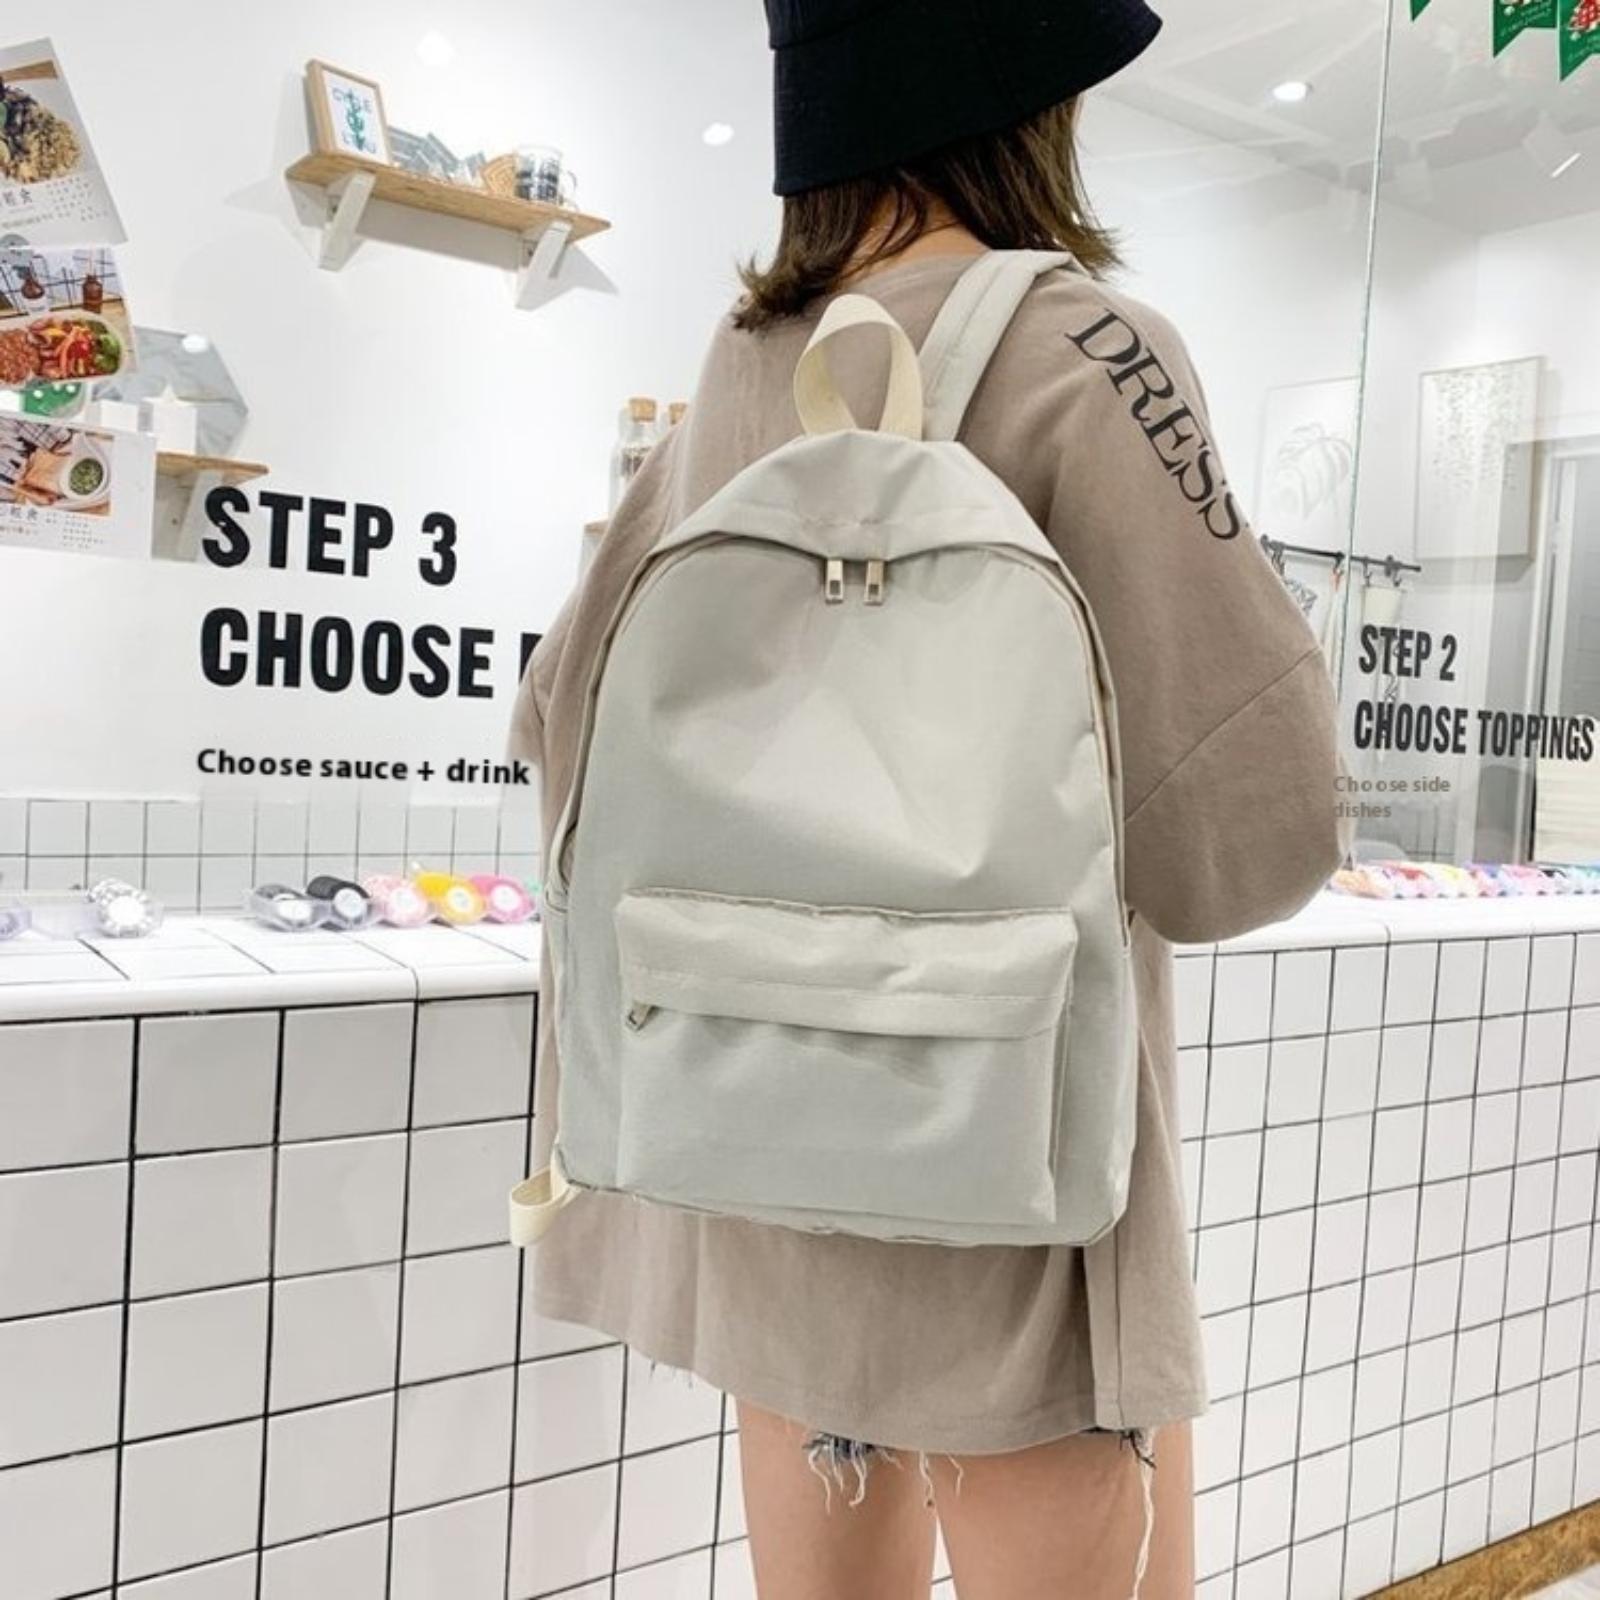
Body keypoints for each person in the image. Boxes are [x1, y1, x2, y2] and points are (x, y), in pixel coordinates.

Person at [511, 2, 1351, 1595]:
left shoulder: (743, 359)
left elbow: (560, 714)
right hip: (1003, 1171)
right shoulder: (1089, 349)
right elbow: (1245, 842)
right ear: (1027, 95)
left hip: (754, 1142)